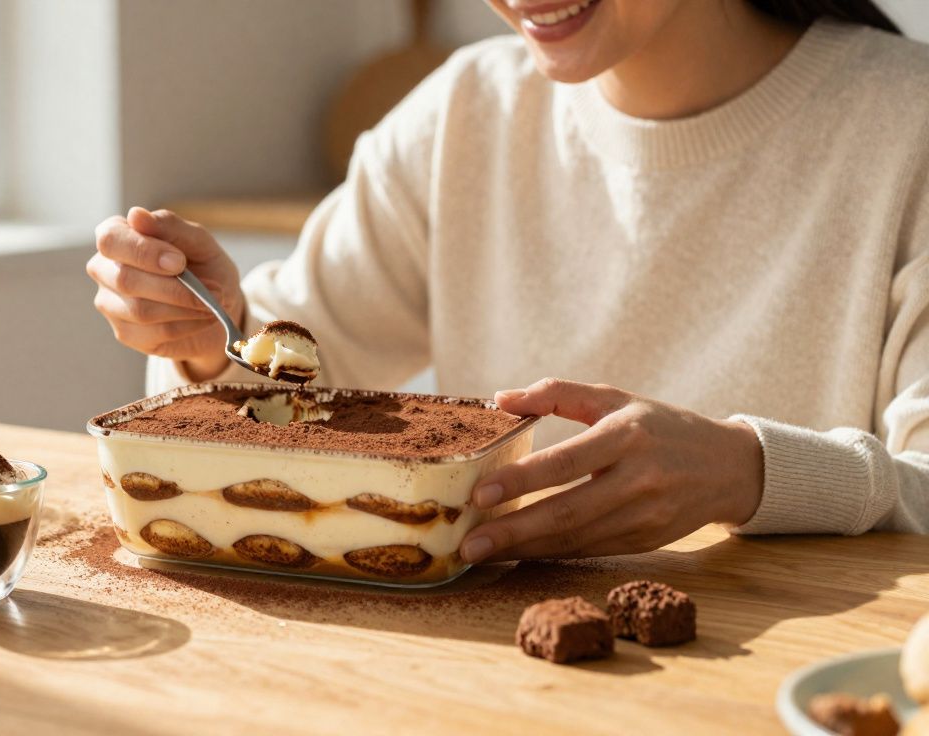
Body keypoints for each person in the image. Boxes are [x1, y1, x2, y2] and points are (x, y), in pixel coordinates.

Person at [87, 0, 929, 564]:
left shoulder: (905, 128)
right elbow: (292, 365)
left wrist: (750, 471)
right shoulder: (466, 113)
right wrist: (203, 338)